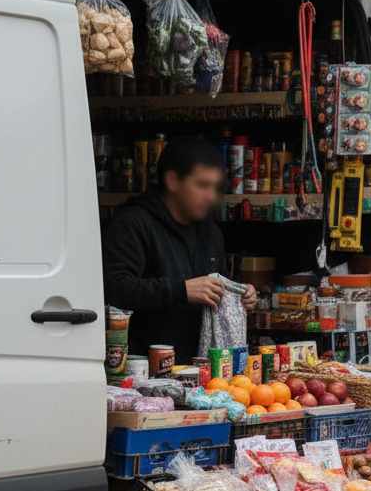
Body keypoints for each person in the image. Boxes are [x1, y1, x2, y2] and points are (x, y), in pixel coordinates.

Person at [103, 137, 256, 363]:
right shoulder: (133, 223)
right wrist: (181, 290)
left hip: (199, 371)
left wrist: (240, 295)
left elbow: (218, 286)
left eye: (215, 187)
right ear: (173, 180)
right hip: (142, 370)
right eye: (202, 185)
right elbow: (115, 288)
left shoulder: (210, 232)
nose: (211, 196)